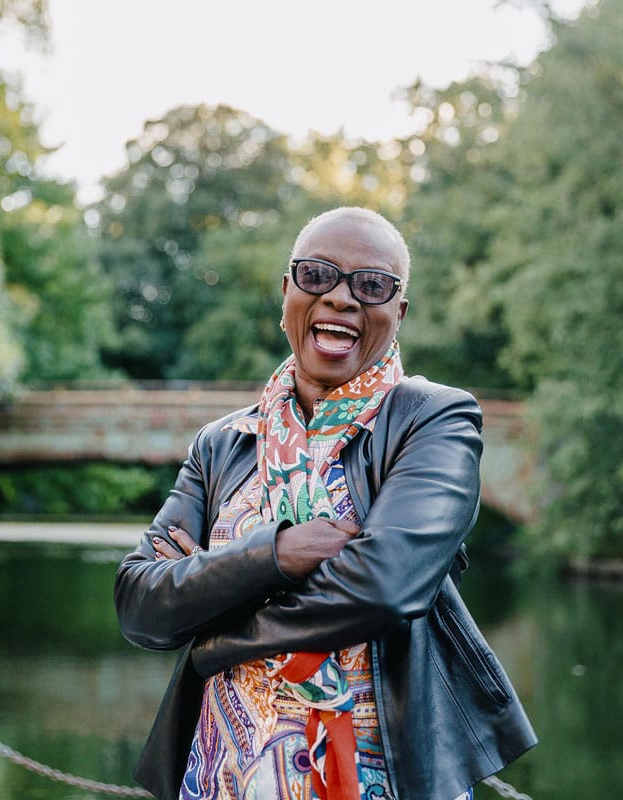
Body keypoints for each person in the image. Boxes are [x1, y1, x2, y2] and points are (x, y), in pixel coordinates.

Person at [115, 207, 536, 800]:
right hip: (221, 777)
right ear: (287, 289)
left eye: (371, 285)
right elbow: (140, 603)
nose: (340, 298)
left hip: (381, 778)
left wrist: (217, 634)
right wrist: (275, 556)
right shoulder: (223, 444)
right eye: (317, 275)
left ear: (399, 312)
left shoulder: (433, 421)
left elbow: (385, 587)